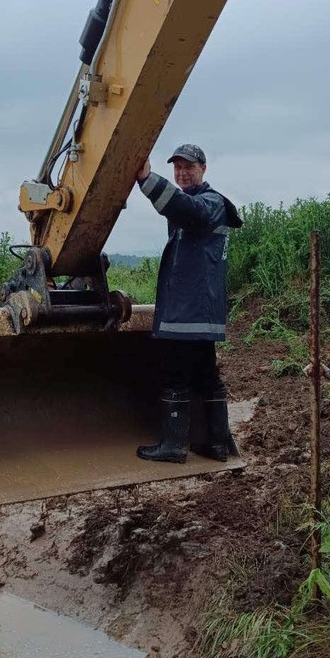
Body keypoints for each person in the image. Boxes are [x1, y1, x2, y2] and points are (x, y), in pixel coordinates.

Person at [134, 143, 243, 463]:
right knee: (206, 375)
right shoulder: (203, 202)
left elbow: (185, 209)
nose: (182, 172)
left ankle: (173, 446)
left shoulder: (209, 203)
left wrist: (146, 180)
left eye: (189, 167)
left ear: (204, 169)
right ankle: (216, 444)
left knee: (176, 375)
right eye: (177, 168)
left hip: (188, 310)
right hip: (200, 311)